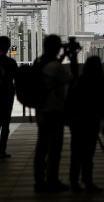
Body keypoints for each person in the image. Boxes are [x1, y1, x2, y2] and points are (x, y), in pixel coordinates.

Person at [34, 35, 71, 193]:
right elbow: (69, 80)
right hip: (54, 111)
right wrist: (72, 60)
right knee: (55, 148)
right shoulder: (55, 67)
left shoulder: (39, 62)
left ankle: (39, 181)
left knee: (42, 147)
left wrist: (60, 58)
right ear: (57, 48)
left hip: (41, 111)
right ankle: (52, 181)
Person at [68, 56, 104, 193]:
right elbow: (103, 103)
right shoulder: (99, 80)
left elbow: (70, 101)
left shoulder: (80, 80)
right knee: (88, 155)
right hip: (92, 122)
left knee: (76, 154)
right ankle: (88, 182)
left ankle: (74, 183)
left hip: (78, 123)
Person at [0, 36, 18, 159]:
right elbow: (18, 79)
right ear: (8, 47)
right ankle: (2, 150)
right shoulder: (11, 63)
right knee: (5, 124)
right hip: (7, 95)